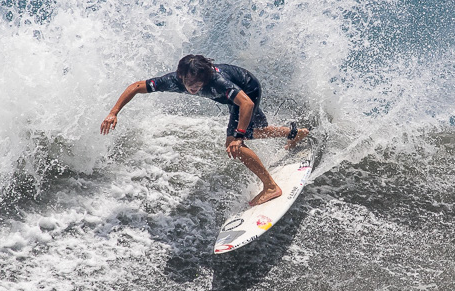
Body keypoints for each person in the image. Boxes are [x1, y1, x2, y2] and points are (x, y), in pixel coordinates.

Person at [100, 54, 308, 206]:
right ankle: (294, 133)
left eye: (198, 83)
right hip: (238, 94)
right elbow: (137, 86)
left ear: (206, 77)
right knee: (254, 131)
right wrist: (113, 112)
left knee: (235, 143)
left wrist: (238, 137)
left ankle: (271, 187)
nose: (193, 87)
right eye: (189, 83)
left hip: (248, 90)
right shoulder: (173, 80)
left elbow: (246, 104)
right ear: (181, 76)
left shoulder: (217, 82)